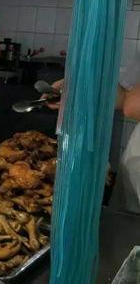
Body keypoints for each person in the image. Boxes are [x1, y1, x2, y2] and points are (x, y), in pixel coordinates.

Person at [48, 53, 140, 212]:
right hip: (134, 165)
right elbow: (124, 95)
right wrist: (81, 88)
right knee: (124, 218)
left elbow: (133, 106)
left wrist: (132, 102)